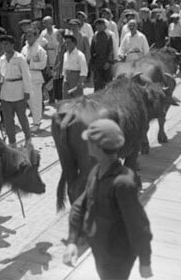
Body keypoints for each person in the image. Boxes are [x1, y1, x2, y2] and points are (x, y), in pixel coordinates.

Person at [63, 118, 153, 280]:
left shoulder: (123, 183)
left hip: (118, 256)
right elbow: (79, 206)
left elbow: (138, 224)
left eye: (89, 141)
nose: (87, 144)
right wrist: (72, 241)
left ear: (97, 147)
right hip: (100, 248)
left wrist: (145, 261)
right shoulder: (97, 172)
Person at [0, 35, 32, 148]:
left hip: (19, 91)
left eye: (7, 44)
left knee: (22, 117)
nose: (4, 46)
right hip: (6, 92)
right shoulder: (1, 60)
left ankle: (28, 138)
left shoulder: (20, 58)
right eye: (2, 44)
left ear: (12, 45)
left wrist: (27, 91)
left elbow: (26, 75)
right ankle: (12, 142)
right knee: (8, 120)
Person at [21, 29, 47, 134]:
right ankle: (35, 120)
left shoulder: (40, 49)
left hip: (35, 76)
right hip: (25, 76)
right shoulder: (24, 48)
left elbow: (43, 64)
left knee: (36, 100)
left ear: (35, 37)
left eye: (31, 36)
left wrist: (30, 63)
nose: (29, 38)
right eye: (27, 36)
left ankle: (37, 122)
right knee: (29, 101)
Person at [90, 18, 113, 91]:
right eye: (97, 25)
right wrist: (92, 63)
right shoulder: (94, 36)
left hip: (106, 63)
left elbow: (111, 50)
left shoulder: (109, 36)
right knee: (97, 84)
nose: (99, 26)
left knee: (108, 84)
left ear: (104, 26)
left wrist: (108, 62)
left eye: (101, 25)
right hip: (97, 63)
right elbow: (92, 50)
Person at [62, 34, 88, 99]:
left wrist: (80, 81)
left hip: (76, 77)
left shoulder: (80, 55)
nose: (66, 45)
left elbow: (84, 70)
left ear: (74, 43)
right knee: (66, 98)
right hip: (67, 77)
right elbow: (65, 67)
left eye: (68, 43)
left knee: (77, 99)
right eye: (65, 43)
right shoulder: (65, 54)